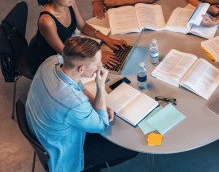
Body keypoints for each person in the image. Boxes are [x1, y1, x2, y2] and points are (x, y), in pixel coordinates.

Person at [25, 37, 138, 171]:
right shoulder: (74, 102)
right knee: (130, 148)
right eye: (97, 63)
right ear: (81, 69)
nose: (100, 66)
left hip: (44, 134)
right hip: (63, 155)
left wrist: (96, 104)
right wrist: (100, 86)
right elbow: (101, 124)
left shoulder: (51, 62)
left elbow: (79, 86)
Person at [27, 0, 126, 75]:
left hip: (67, 46)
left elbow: (83, 26)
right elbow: (65, 52)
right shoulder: (46, 21)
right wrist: (97, 56)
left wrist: (106, 38)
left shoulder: (70, 2)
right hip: (48, 57)